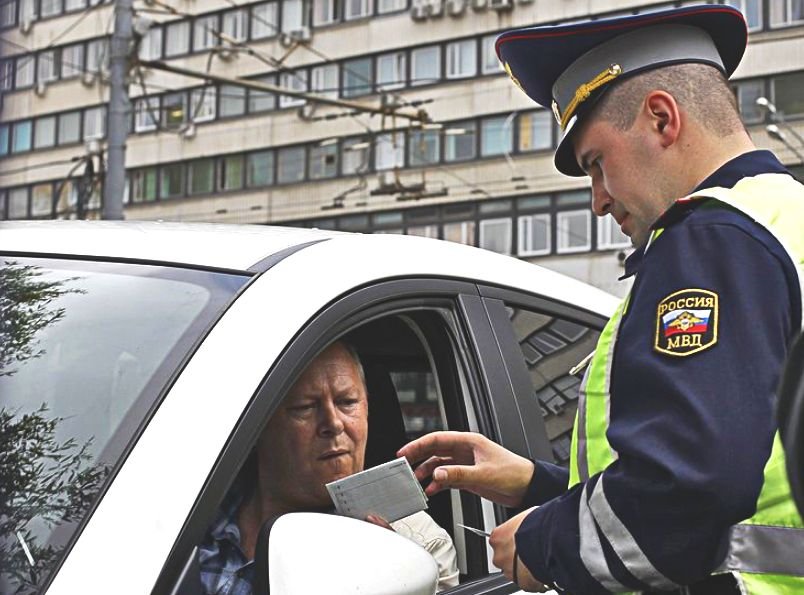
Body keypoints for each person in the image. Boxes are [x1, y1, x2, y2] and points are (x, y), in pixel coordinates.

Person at [399, 5, 804, 594]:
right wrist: (537, 485)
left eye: (596, 164)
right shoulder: (782, 220)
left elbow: (689, 491)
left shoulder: (711, 241)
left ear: (662, 119)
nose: (598, 201)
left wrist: (543, 542)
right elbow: (745, 470)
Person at [199, 340, 459, 594]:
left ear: (368, 409)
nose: (333, 423)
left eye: (347, 402)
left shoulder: (419, 545)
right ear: (256, 426)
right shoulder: (192, 512)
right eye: (305, 407)